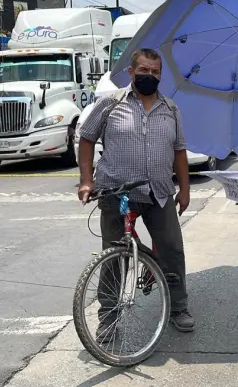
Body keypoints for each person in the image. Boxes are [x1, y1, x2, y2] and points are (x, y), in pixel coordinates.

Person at [77, 48, 195, 339]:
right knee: (115, 257)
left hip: (159, 192)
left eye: (155, 72)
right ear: (131, 72)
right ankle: (109, 319)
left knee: (172, 250)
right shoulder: (109, 104)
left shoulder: (170, 108)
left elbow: (179, 151)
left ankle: (178, 307)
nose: (149, 76)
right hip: (118, 193)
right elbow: (86, 139)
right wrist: (86, 181)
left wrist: (185, 189)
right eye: (144, 70)